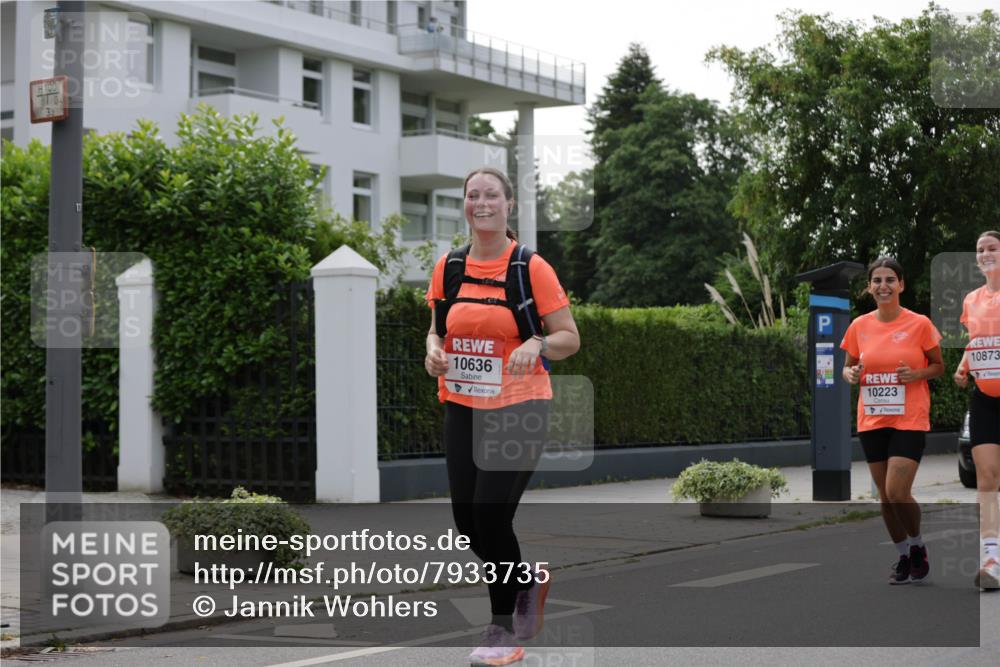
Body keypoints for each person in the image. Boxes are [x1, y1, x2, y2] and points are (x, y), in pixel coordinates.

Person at [424, 167, 580, 665]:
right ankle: (527, 582)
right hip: (465, 405)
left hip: (519, 406)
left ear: (509, 204)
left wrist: (536, 341)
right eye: (473, 195)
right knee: (468, 523)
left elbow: (569, 337)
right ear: (464, 204)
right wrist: (432, 351)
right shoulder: (448, 267)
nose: (482, 203)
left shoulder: (529, 267)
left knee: (492, 515)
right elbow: (436, 330)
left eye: (492, 194)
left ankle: (501, 633)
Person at [841, 257, 944, 584]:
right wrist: (851, 373)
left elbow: (938, 366)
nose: (883, 286)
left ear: (901, 285)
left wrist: (916, 374)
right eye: (877, 281)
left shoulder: (920, 324)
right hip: (872, 419)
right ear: (869, 287)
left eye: (889, 280)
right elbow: (847, 367)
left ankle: (918, 546)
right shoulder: (859, 326)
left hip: (910, 418)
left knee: (896, 489)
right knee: (885, 498)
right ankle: (903, 556)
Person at [952, 231, 1000, 590]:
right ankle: (991, 560)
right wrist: (963, 365)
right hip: (984, 398)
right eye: (980, 249)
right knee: (987, 479)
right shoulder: (971, 299)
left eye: (992, 248)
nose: (985, 253)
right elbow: (976, 341)